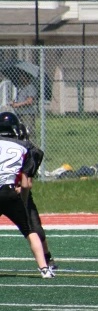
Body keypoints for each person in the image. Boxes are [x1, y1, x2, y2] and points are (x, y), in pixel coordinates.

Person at [0, 112, 52, 278]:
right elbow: (26, 183)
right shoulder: (26, 147)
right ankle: (45, 267)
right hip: (12, 191)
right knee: (30, 230)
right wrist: (21, 198)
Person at [17, 123, 58, 272]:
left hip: (18, 192)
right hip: (11, 192)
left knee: (35, 227)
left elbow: (28, 182)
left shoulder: (27, 152)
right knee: (33, 228)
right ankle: (46, 262)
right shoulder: (23, 149)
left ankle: (47, 258)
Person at [10, 72, 38, 143]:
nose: (21, 78)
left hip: (27, 114)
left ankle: (32, 147)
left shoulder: (30, 87)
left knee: (29, 131)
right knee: (20, 131)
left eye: (23, 77)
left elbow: (29, 101)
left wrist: (18, 104)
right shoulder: (20, 88)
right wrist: (14, 103)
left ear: (27, 78)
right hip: (19, 113)